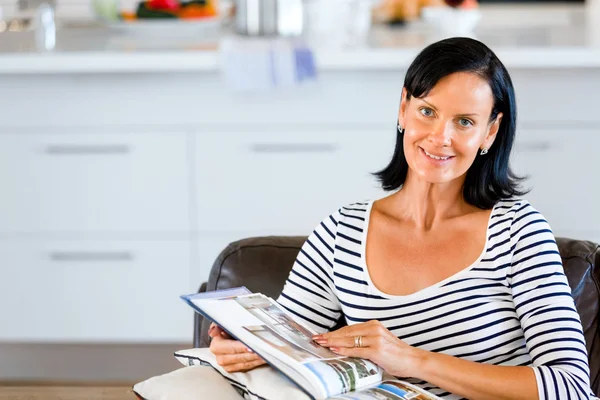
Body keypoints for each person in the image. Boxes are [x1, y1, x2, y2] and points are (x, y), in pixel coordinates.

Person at [209, 37, 598, 400]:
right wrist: (245, 348)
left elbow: (571, 385)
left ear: (489, 132)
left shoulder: (519, 232)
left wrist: (409, 359)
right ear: (403, 109)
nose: (439, 136)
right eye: (427, 111)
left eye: (464, 121)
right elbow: (285, 350)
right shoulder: (341, 233)